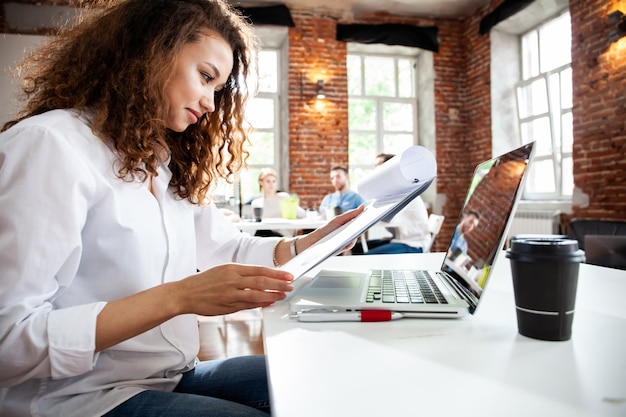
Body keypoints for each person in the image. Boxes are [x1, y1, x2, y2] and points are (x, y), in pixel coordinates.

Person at [0, 1, 362, 416]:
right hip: (79, 397)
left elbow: (232, 248)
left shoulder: (159, 164)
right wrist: (179, 297)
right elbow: (8, 340)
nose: (211, 102)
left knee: (324, 376)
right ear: (150, 52)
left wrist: (312, 242)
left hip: (170, 376)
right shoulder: (51, 146)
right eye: (205, 77)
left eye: (218, 88)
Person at [357, 153, 432, 255]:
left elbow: (383, 218)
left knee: (365, 257)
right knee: (356, 248)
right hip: (397, 239)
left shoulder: (403, 190)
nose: (374, 169)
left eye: (378, 165)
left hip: (413, 245)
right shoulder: (391, 190)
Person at [250, 168, 305, 237]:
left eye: (274, 181)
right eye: (268, 181)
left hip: (283, 236)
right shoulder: (256, 203)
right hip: (264, 235)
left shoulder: (283, 197)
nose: (271, 184)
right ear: (261, 182)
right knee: (260, 233)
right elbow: (254, 225)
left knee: (260, 234)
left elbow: (302, 214)